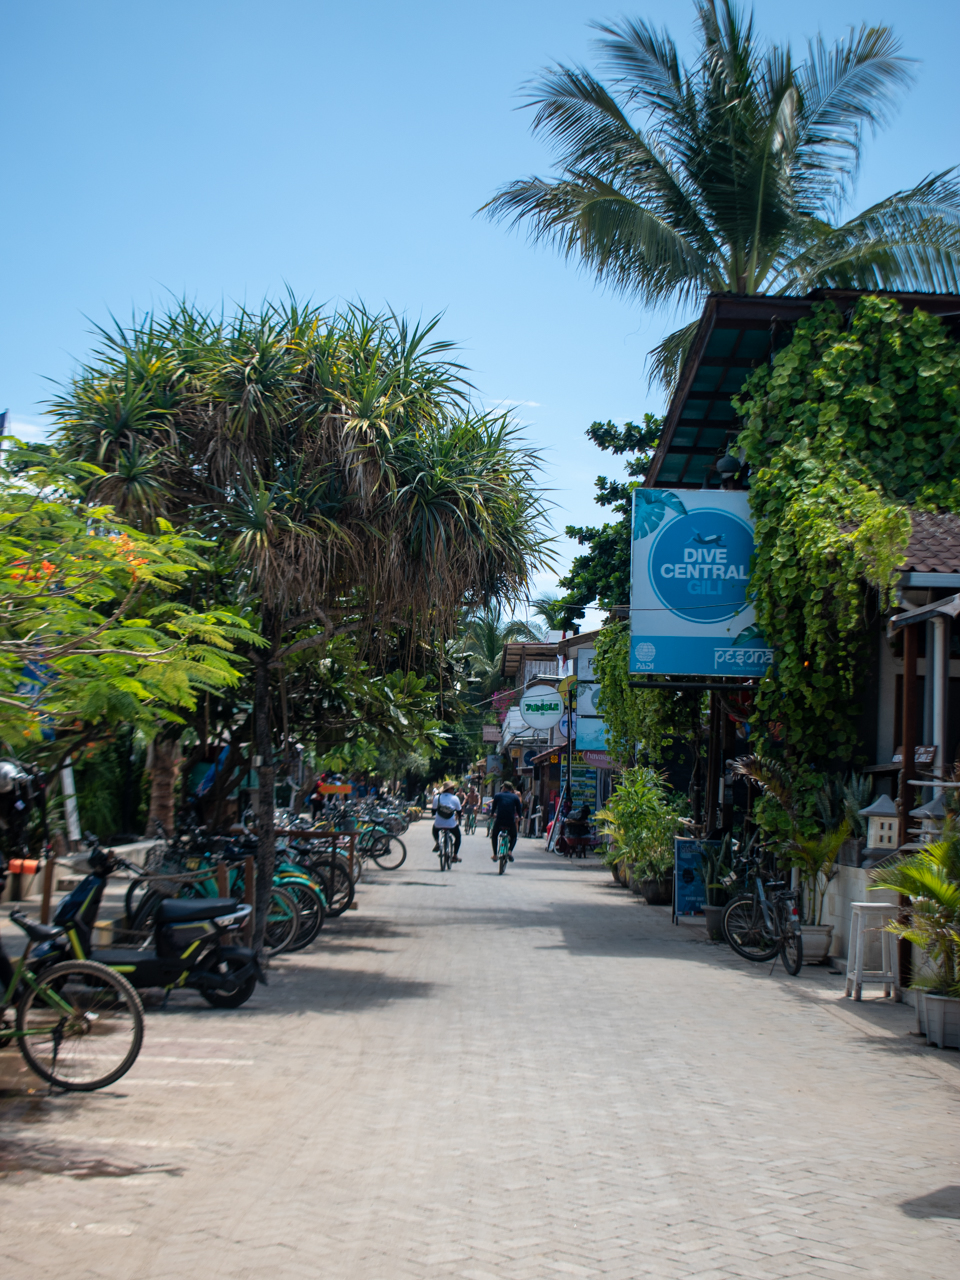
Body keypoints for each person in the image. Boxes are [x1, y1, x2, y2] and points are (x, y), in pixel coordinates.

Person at [489, 781, 523, 862]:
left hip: (500, 819)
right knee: (514, 836)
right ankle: (510, 851)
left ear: (504, 788)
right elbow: (519, 809)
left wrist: (492, 814)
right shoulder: (515, 797)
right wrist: (520, 816)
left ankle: (495, 855)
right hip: (510, 820)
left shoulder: (497, 795)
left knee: (494, 835)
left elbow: (494, 807)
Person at [431, 782, 462, 861]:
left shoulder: (437, 797)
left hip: (439, 823)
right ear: (449, 790)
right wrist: (459, 819)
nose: (454, 790)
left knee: (434, 829)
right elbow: (459, 811)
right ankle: (455, 855)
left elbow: (433, 811)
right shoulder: (455, 798)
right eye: (453, 789)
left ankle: (437, 843)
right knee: (458, 836)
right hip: (451, 824)